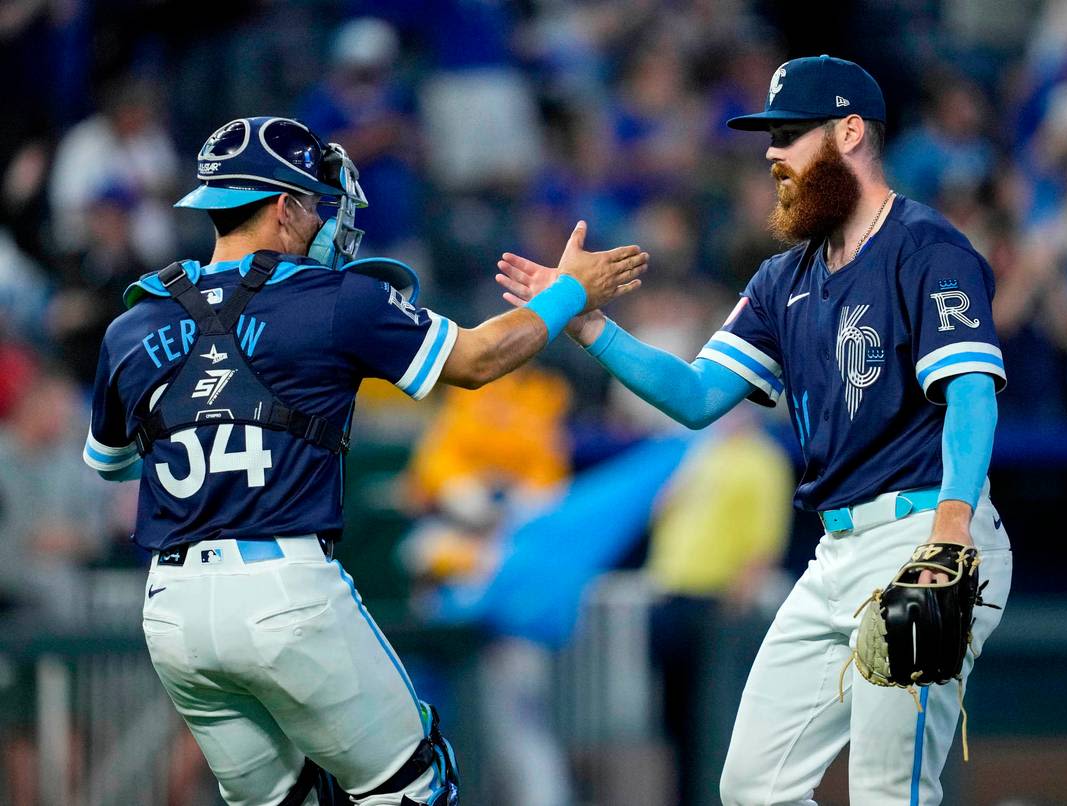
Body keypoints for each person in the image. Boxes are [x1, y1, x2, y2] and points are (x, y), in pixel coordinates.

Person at [81, 115, 646, 806]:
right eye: (315, 203)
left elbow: (114, 464)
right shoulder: (332, 300)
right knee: (412, 785)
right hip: (283, 589)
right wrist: (571, 291)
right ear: (283, 207)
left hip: (171, 611)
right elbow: (478, 359)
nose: (323, 217)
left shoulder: (134, 321)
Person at [497, 55, 1013, 806]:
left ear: (851, 132)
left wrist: (952, 529)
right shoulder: (783, 280)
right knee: (752, 787)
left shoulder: (927, 247)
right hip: (835, 552)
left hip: (925, 531)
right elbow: (699, 394)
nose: (772, 152)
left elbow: (971, 392)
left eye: (792, 133)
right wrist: (589, 325)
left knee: (888, 790)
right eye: (770, 134)